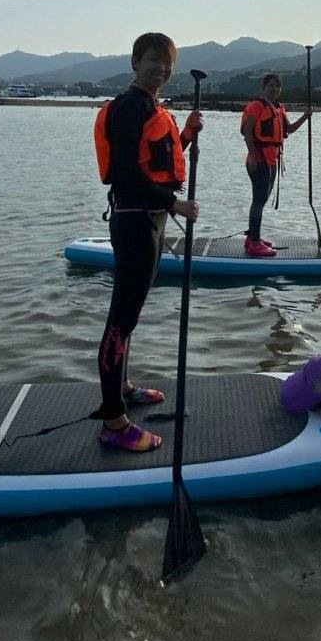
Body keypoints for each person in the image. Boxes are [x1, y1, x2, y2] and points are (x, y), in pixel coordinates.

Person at [91, 32, 202, 451]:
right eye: (154, 60)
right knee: (121, 319)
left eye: (168, 62)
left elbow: (156, 162)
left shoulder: (152, 108)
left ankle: (123, 387)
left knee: (131, 314)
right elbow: (125, 174)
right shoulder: (127, 107)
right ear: (136, 62)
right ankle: (113, 422)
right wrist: (175, 203)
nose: (162, 69)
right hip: (135, 221)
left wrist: (186, 134)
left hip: (150, 220)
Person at [239, 72, 310, 257]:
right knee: (259, 200)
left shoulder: (278, 108)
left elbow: (289, 130)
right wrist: (253, 157)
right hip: (259, 160)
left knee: (261, 199)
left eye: (277, 86)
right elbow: (247, 132)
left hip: (272, 159)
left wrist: (305, 117)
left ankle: (252, 237)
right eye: (271, 85)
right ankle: (254, 243)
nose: (274, 89)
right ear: (263, 87)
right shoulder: (256, 106)